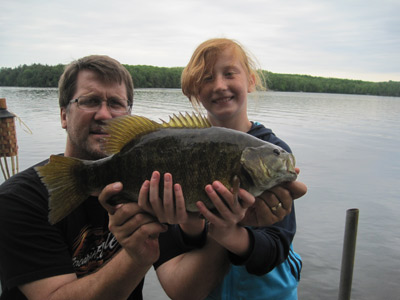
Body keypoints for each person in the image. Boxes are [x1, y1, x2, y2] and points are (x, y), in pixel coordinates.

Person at [0, 55, 239, 300]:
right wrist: (136, 257)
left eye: (116, 103)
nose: (104, 114)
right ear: (63, 115)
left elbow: (186, 291)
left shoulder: (155, 185)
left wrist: (227, 229)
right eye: (90, 101)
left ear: (129, 114)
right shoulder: (18, 200)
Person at [136, 38, 307, 300]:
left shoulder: (273, 150)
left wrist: (231, 233)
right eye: (206, 78)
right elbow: (177, 248)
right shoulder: (173, 149)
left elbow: (277, 246)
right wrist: (190, 225)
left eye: (229, 73)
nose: (219, 85)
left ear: (250, 81)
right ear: (194, 91)